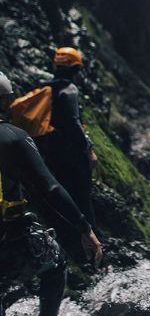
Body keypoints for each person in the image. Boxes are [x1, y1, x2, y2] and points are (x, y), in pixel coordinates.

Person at [0, 71, 102, 316]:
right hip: (9, 241)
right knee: (55, 264)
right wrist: (85, 229)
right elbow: (50, 188)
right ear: (5, 101)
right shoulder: (13, 138)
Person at [35, 47, 98, 257]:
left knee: (62, 194)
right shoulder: (69, 89)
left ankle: (67, 242)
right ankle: (91, 245)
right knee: (82, 196)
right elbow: (73, 122)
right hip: (72, 154)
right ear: (76, 67)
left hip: (51, 153)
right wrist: (88, 149)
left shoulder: (46, 88)